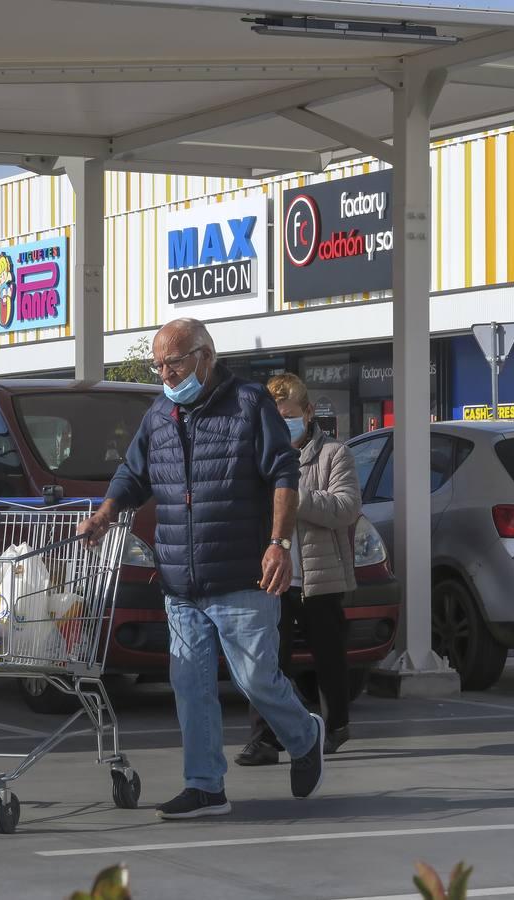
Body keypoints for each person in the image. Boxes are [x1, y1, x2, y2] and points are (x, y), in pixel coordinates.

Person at [78, 318, 325, 820]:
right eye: (159, 365)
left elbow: (283, 472)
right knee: (190, 685)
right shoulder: (159, 415)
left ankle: (304, 734)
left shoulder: (250, 404)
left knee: (255, 678)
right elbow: (133, 473)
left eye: (174, 363)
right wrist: (106, 512)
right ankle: (206, 785)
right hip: (179, 580)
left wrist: (278, 543)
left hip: (241, 573)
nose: (166, 374)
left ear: (205, 358)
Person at [236, 374, 361, 767]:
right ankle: (265, 740)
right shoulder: (257, 457)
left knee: (328, 657)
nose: (283, 424)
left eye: (289, 416)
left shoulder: (333, 455)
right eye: (276, 418)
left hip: (318, 578)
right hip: (272, 577)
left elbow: (346, 507)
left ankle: (335, 724)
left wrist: (294, 496)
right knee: (268, 661)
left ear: (307, 413)